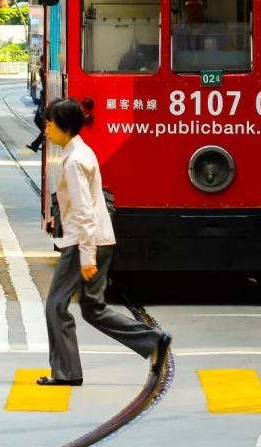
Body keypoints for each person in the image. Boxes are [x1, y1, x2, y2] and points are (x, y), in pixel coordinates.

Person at [38, 98, 171, 387]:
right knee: (93, 308)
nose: (46, 128)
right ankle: (153, 341)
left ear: (64, 126)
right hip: (101, 238)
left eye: (50, 123)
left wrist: (86, 257)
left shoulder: (74, 161)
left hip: (85, 243)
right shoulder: (83, 152)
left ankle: (66, 372)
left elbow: (85, 210)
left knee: (55, 305)